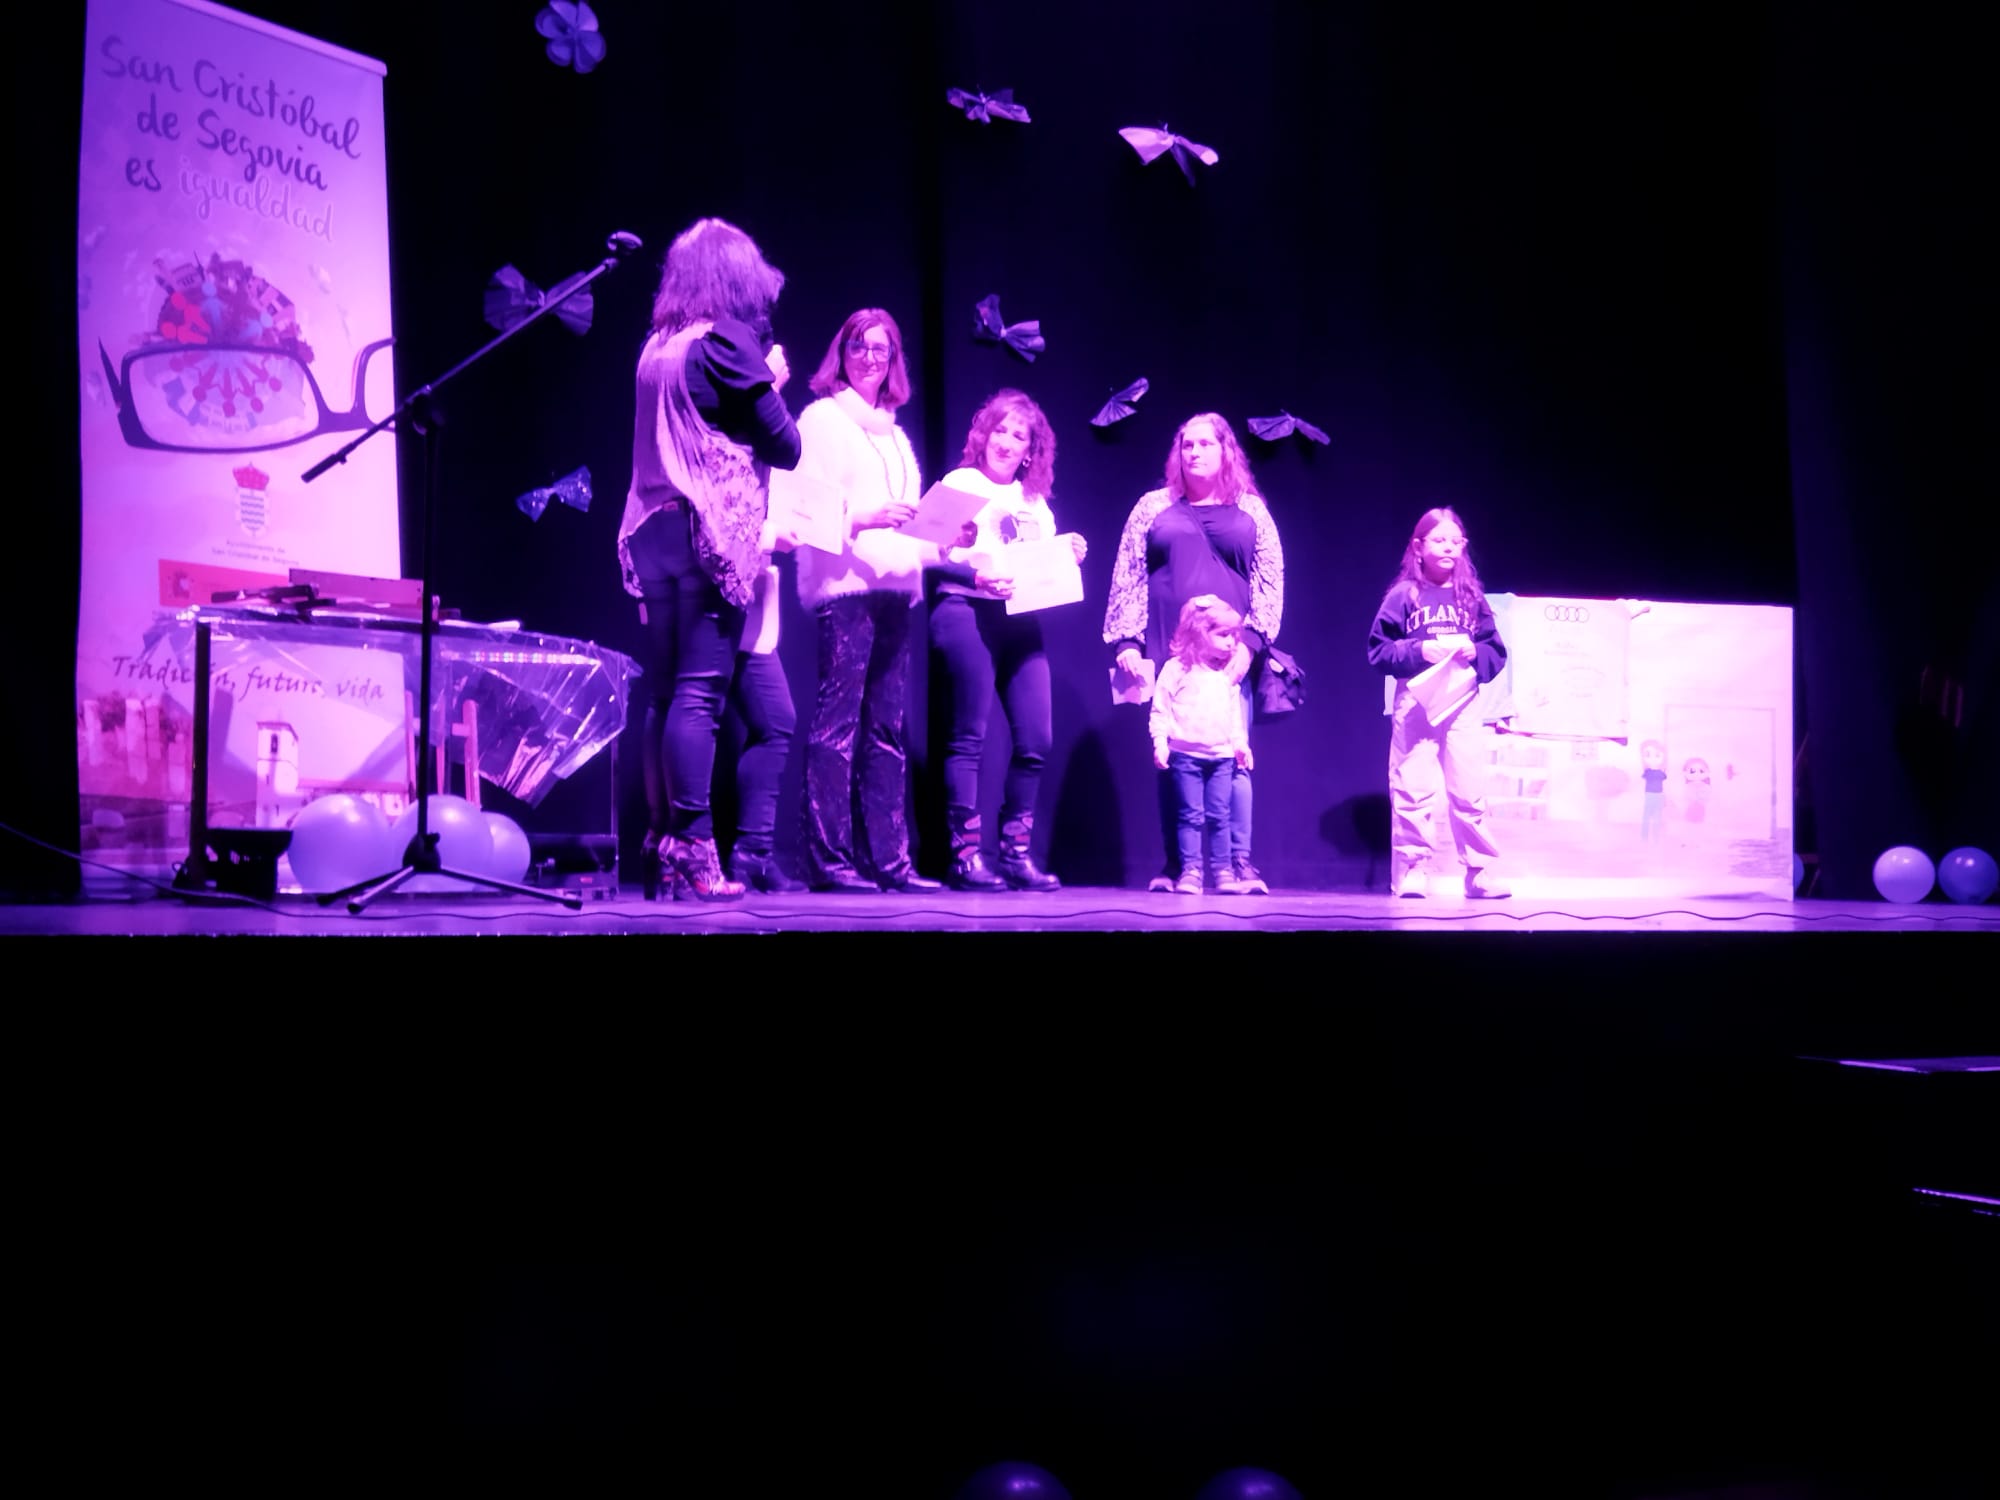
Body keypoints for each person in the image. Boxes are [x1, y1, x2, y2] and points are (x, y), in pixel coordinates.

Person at [616, 217, 798, 901]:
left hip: (649, 528)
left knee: (665, 692)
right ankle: (694, 845)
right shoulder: (729, 341)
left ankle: (661, 840)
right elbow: (785, 447)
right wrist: (770, 381)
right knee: (700, 692)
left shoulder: (656, 346)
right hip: (705, 531)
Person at [787, 309, 944, 893]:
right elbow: (805, 508)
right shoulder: (822, 420)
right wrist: (864, 517)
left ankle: (890, 862)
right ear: (842, 353)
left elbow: (910, 523)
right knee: (837, 726)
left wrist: (946, 538)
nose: (870, 358)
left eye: (881, 349)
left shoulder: (895, 434)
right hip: (847, 587)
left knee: (886, 730)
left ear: (893, 359)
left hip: (895, 588)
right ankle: (829, 861)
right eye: (859, 346)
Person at [1104, 413, 1284, 894]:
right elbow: (1128, 573)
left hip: (1230, 655)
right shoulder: (1153, 507)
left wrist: (1251, 643)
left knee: (1233, 757)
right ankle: (1178, 865)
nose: (1195, 452)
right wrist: (1127, 640)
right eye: (1187, 445)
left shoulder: (1251, 510)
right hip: (1172, 652)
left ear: (1226, 451)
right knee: (1174, 758)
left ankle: (1238, 864)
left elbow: (1270, 580)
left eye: (1205, 444)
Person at [929, 390, 1087, 891]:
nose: (1006, 442)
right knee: (968, 736)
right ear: (984, 435)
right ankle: (965, 857)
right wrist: (975, 577)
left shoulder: (1034, 503)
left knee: (1036, 739)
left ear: (1029, 451)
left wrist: (1067, 554)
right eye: (1000, 430)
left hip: (1018, 621)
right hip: (965, 611)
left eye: (1018, 436)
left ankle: (1015, 855)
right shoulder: (960, 483)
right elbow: (927, 552)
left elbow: (1041, 569)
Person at [1364, 507, 1510, 899]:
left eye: (1455, 541)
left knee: (1468, 787)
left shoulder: (1471, 596)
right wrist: (1419, 650)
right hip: (1416, 702)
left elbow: (1496, 651)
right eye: (1439, 540)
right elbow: (1378, 651)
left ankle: (1478, 872)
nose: (1448, 547)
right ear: (1419, 546)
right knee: (1413, 786)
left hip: (1462, 702)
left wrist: (1475, 653)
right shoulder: (1403, 595)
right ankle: (1413, 869)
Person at [1151, 595, 1257, 894]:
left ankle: (1223, 872)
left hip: (1221, 758)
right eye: (1224, 635)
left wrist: (1240, 745)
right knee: (1190, 816)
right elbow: (1161, 709)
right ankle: (1191, 870)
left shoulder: (1225, 675)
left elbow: (1233, 716)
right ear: (1199, 634)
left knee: (1220, 816)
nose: (1232, 643)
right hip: (1186, 757)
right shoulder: (1176, 669)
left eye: (1234, 636)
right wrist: (1160, 742)